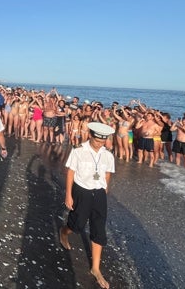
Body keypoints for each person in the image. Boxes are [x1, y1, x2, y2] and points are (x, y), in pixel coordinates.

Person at [59, 122, 116, 289]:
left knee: (99, 228)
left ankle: (96, 269)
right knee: (77, 224)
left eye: (102, 141)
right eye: (97, 140)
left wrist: (104, 191)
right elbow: (70, 172)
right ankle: (64, 232)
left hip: (99, 193)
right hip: (81, 191)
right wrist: (68, 194)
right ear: (91, 136)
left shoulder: (108, 155)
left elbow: (107, 174)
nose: (99, 144)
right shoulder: (78, 152)